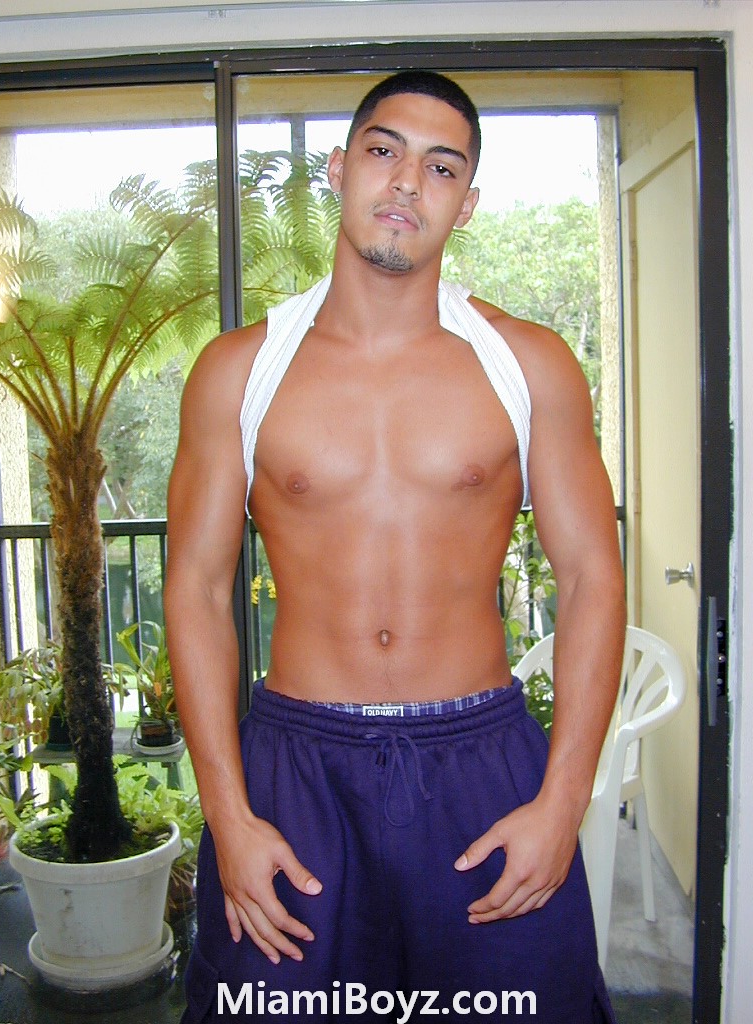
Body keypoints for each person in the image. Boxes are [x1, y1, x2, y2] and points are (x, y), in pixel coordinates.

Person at [165, 70, 626, 1023]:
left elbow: (591, 578)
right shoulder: (238, 371)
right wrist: (228, 814)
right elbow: (199, 588)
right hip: (297, 770)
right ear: (340, 170)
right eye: (385, 151)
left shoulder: (530, 363)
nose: (408, 182)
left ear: (467, 202)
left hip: (480, 764)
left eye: (441, 167)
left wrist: (563, 801)